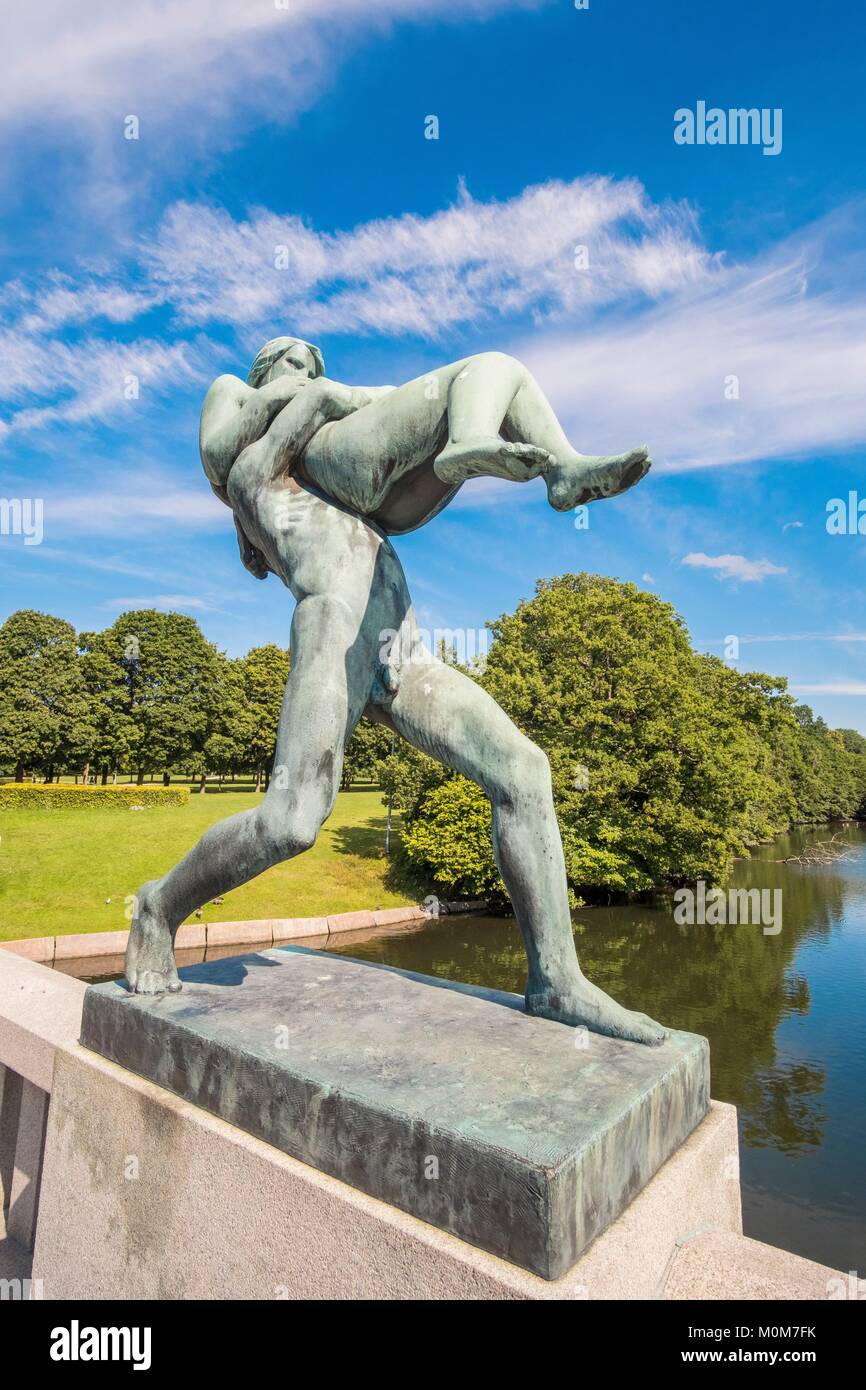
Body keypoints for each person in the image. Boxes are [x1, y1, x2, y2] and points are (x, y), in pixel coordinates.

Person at [126, 334, 665, 1045]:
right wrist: (313, 398)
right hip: (333, 625)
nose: (313, 375)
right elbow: (235, 457)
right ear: (260, 378)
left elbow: (383, 453)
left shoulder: (331, 476)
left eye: (317, 370)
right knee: (291, 822)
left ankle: (557, 982)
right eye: (296, 363)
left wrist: (365, 413)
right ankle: (158, 909)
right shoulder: (255, 472)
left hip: (399, 649)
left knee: (523, 770)